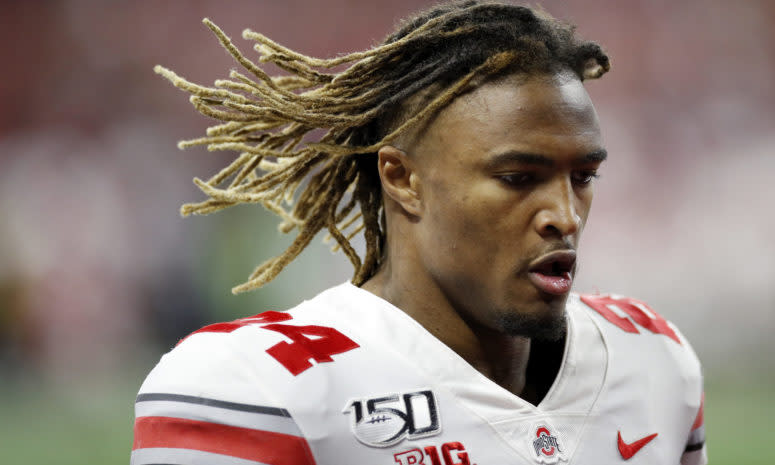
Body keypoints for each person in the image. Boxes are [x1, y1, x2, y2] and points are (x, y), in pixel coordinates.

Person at [132, 1, 706, 464]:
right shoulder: (256, 388)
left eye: (583, 177)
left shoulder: (651, 358)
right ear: (402, 179)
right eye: (517, 177)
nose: (565, 213)